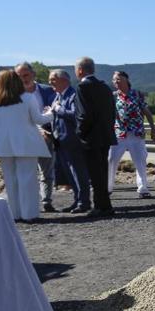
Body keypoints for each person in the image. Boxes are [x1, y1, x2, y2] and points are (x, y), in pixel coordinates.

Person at [0, 69, 53, 223]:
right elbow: (38, 119)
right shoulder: (28, 97)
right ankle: (29, 213)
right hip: (26, 143)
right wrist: (52, 112)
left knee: (10, 179)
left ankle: (14, 214)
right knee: (28, 178)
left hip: (3, 143)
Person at [74, 56, 118, 217]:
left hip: (90, 137)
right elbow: (112, 112)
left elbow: (84, 115)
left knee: (95, 174)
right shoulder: (105, 87)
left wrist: (80, 132)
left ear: (80, 70)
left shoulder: (82, 88)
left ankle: (101, 206)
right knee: (102, 172)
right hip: (105, 135)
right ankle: (104, 204)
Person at [15, 63, 58, 212]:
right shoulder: (13, 94)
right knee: (27, 172)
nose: (23, 79)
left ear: (33, 74)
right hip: (24, 138)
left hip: (46, 136)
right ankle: (28, 202)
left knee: (47, 171)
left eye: (25, 75)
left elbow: (54, 112)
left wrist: (48, 130)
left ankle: (46, 200)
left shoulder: (48, 90)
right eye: (19, 76)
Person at [108, 70, 155, 199]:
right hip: (119, 134)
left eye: (118, 79)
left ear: (126, 79)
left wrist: (153, 129)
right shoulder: (113, 96)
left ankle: (143, 188)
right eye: (114, 80)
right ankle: (107, 188)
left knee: (140, 161)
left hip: (136, 133)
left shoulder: (137, 94)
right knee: (111, 160)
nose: (115, 82)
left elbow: (147, 112)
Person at [48, 68, 91, 212]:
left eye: (53, 79)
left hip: (72, 141)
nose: (50, 82)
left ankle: (84, 202)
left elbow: (75, 115)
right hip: (61, 141)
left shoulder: (73, 95)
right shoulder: (58, 96)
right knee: (71, 175)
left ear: (64, 80)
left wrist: (58, 109)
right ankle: (77, 200)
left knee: (78, 173)